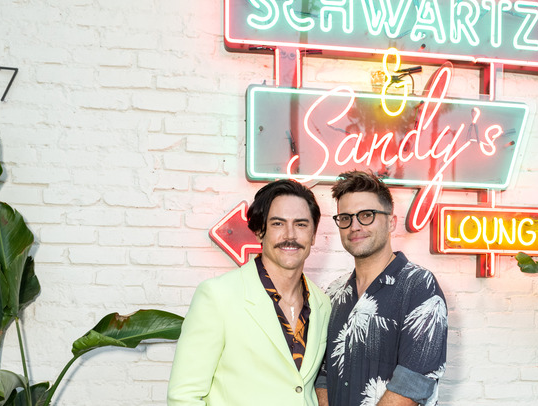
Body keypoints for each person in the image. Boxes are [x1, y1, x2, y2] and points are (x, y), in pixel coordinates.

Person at [168, 179, 331, 406]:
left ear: (313, 235)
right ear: (259, 232)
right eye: (277, 224)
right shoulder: (217, 296)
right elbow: (184, 396)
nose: (290, 234)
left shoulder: (323, 302)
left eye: (301, 224)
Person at [316, 171, 448, 406]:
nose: (354, 226)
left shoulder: (419, 286)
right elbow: (323, 375)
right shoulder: (334, 293)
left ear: (391, 222)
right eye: (345, 217)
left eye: (367, 215)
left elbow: (412, 384)